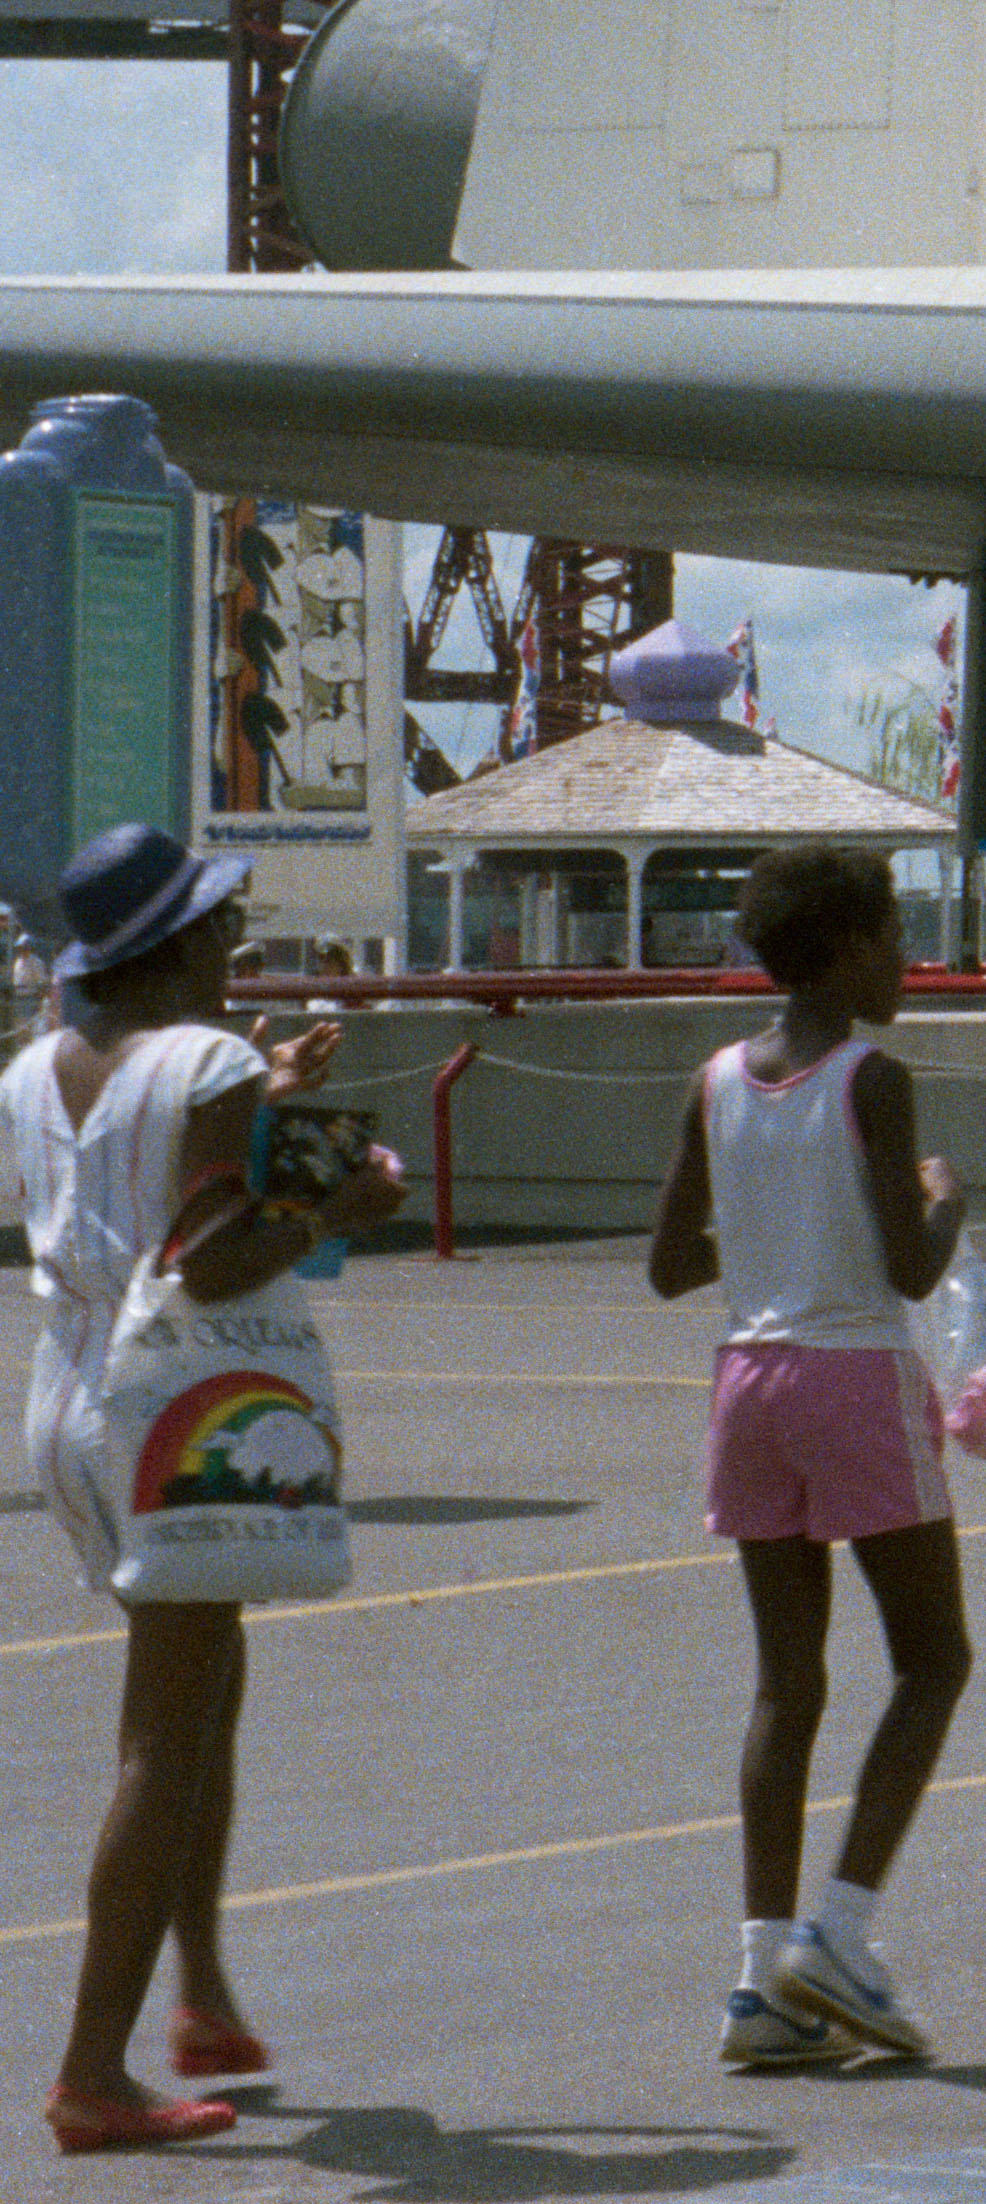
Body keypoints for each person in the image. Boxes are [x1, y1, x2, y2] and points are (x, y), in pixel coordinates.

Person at [10, 827, 401, 2151]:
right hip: (173, 1407)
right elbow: (218, 1257)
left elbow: (142, 1185)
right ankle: (90, 2072)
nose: (235, 946)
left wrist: (263, 1105)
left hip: (66, 1399)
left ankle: (205, 2000)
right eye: (219, 927)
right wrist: (341, 1204)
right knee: (162, 1740)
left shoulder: (31, 1070)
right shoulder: (213, 1060)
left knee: (202, 1686)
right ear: (172, 947)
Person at [647, 844, 975, 2072]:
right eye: (892, 935)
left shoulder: (717, 1078)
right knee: (934, 1658)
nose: (905, 958)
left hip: (747, 1384)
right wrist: (948, 1197)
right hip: (850, 1375)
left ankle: (757, 1982)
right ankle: (838, 1934)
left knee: (787, 1687)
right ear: (843, 950)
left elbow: (670, 1264)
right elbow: (910, 1268)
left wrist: (774, 1212)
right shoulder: (872, 1078)